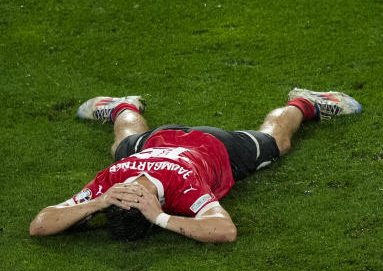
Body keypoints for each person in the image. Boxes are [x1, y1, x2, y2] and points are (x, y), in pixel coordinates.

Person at [29, 88, 362, 243]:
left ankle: (304, 102)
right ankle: (121, 107)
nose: (125, 193)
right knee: (121, 148)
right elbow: (225, 231)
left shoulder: (114, 184)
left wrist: (105, 202)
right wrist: (114, 204)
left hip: (195, 144)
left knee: (277, 143)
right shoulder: (115, 184)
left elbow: (41, 225)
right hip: (193, 146)